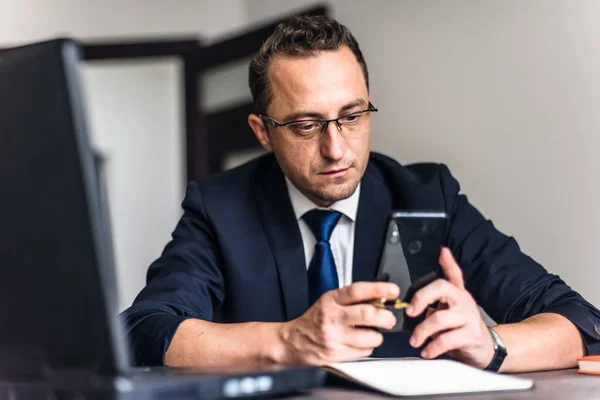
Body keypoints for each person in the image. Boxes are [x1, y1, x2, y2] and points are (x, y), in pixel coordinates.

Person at [122, 15, 600, 373]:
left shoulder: (427, 194)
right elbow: (142, 330)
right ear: (263, 132)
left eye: (352, 117)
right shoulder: (220, 208)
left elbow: (581, 322)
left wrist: (491, 344)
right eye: (306, 125)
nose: (336, 149)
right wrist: (286, 341)